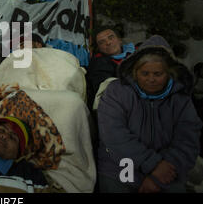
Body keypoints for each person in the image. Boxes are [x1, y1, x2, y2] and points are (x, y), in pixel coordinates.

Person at [97, 35, 202, 193]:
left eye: (158, 74)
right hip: (121, 167)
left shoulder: (180, 98)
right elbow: (114, 136)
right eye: (145, 73)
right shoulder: (116, 91)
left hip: (167, 169)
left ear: (168, 73)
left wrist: (159, 175)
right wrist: (153, 164)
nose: (151, 79)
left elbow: (188, 139)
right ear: (135, 71)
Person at [86, 26, 135, 107]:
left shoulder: (137, 54)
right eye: (102, 42)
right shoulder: (99, 64)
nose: (108, 43)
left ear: (119, 40)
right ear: (99, 49)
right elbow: (108, 91)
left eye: (111, 37)